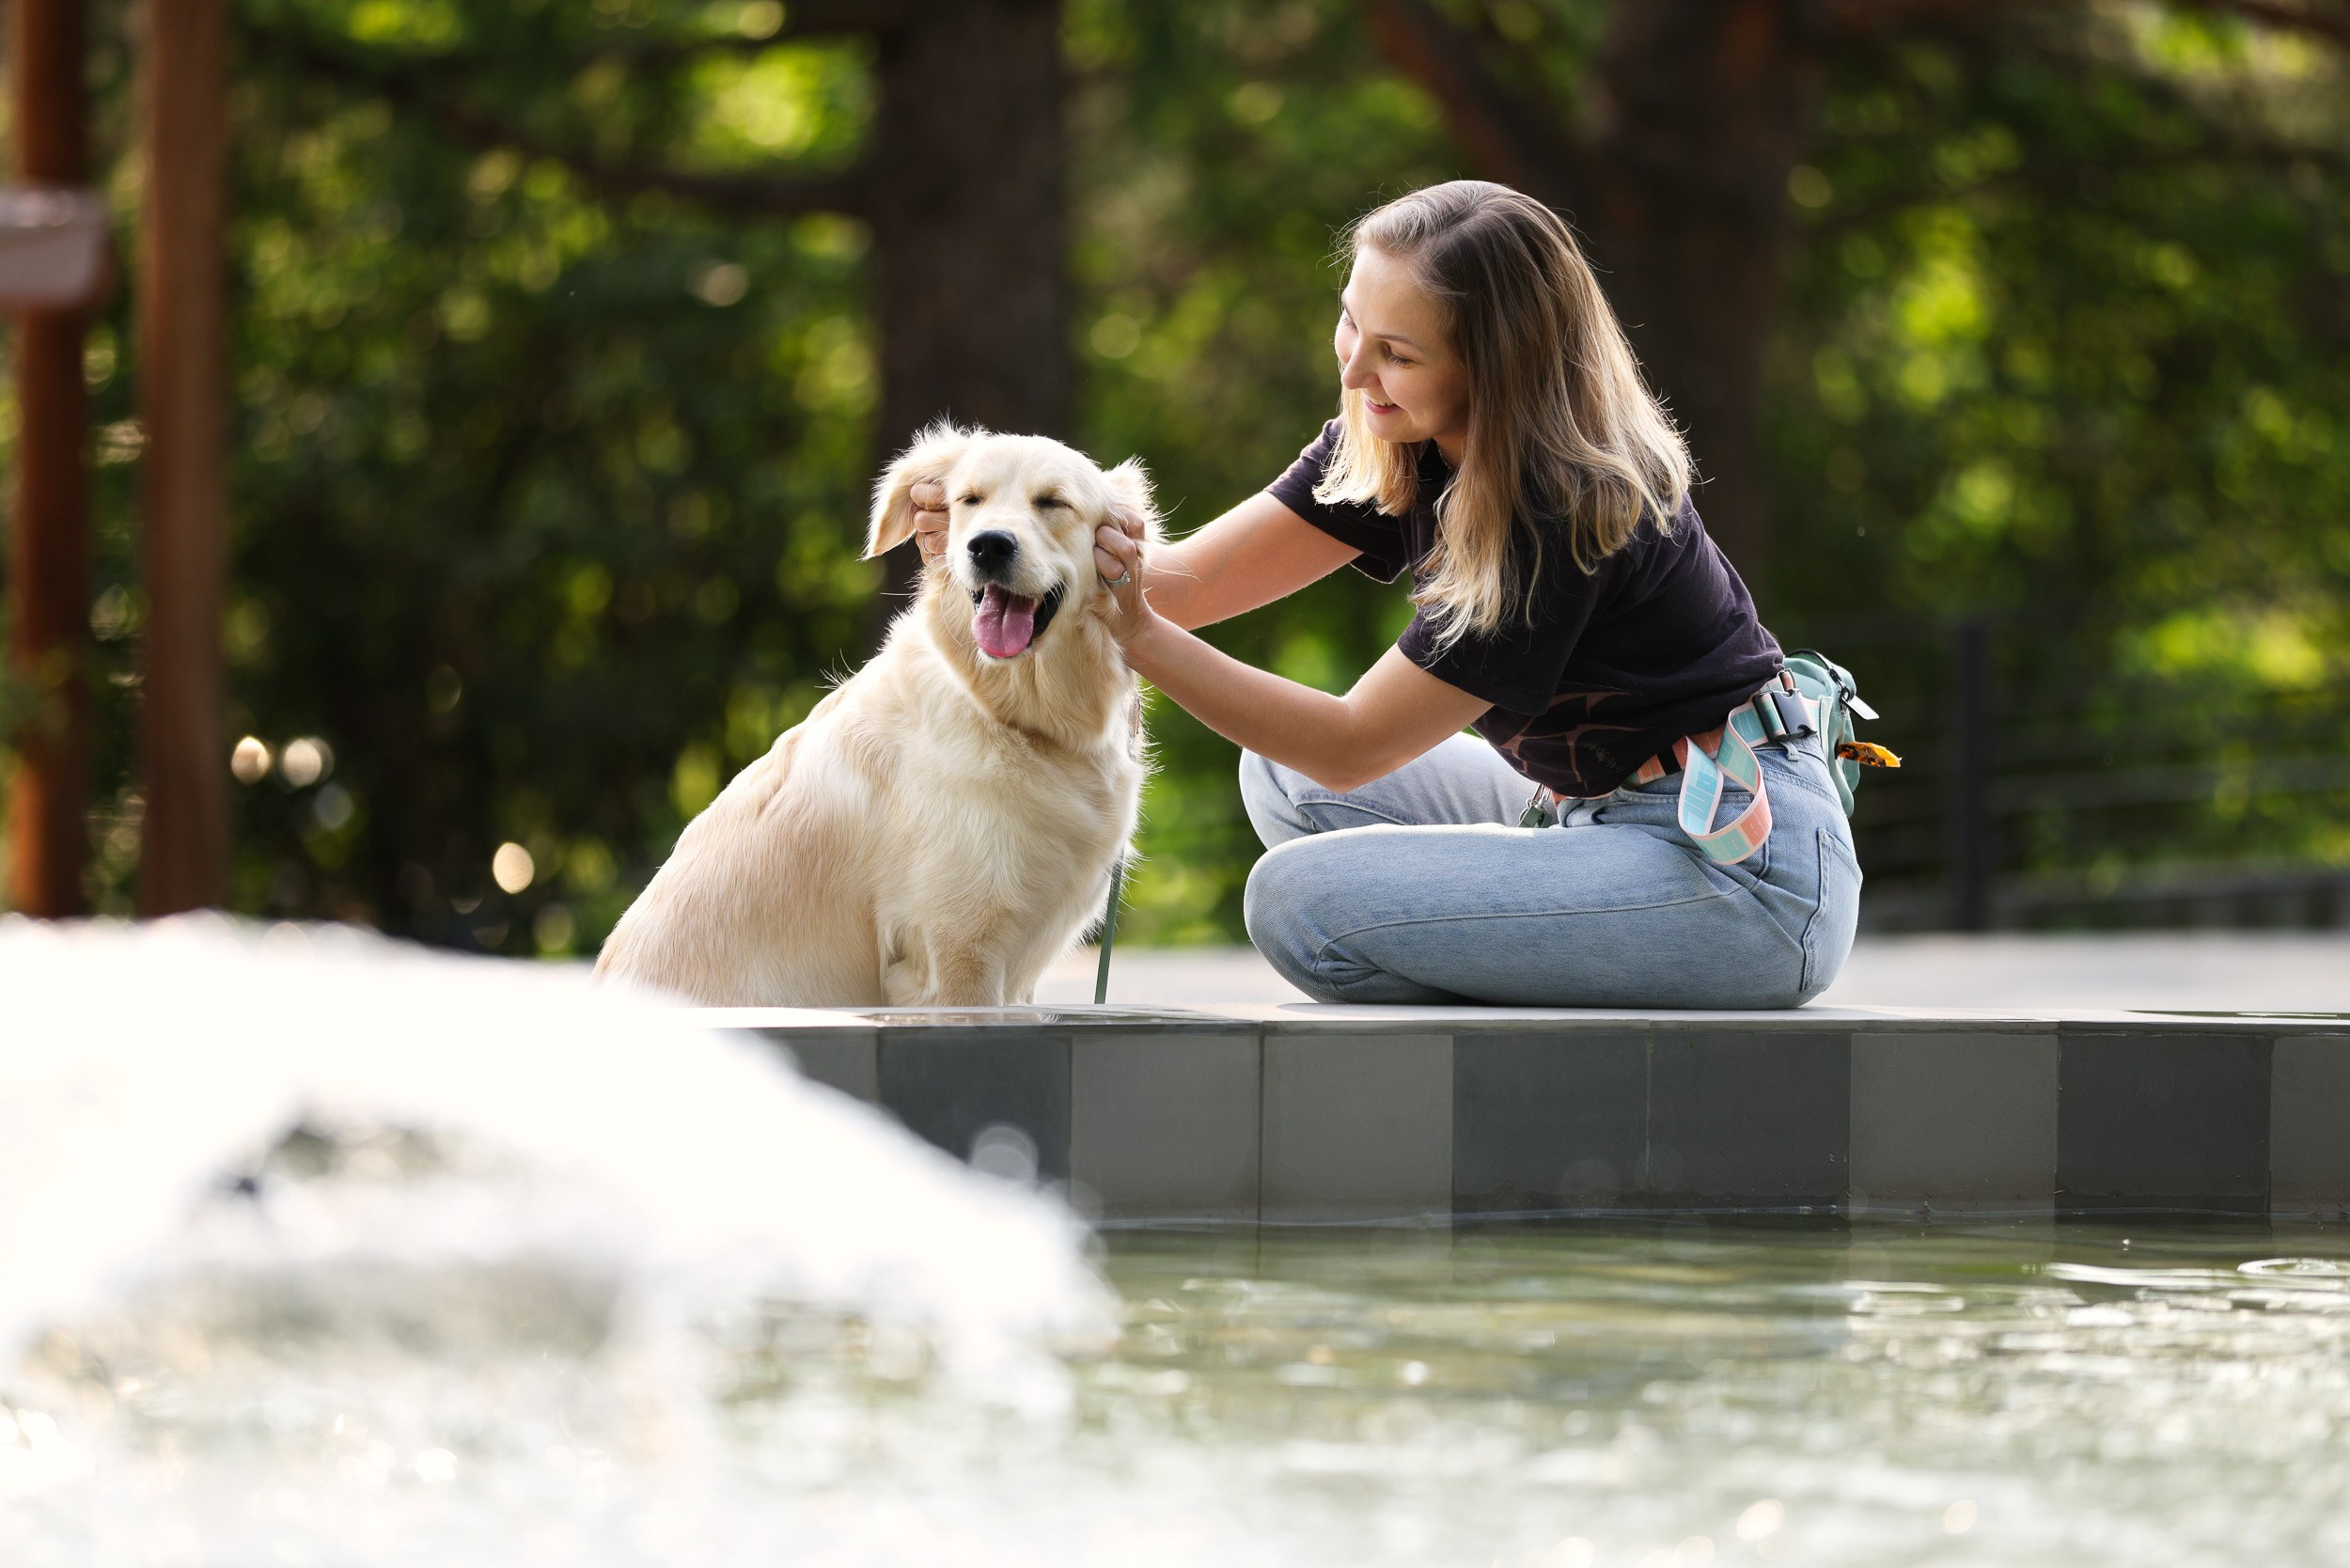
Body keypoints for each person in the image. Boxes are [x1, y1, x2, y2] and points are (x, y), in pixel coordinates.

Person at [914, 180, 1860, 1008]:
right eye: (1350, 323)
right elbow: (1181, 585)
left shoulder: (1554, 505)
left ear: (1495, 367)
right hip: (1583, 811)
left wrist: (1142, 638)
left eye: (1397, 353)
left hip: (1741, 870)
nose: (1354, 369)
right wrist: (994, 545)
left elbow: (1349, 746)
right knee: (1271, 775)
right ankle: (1546, 927)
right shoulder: (1396, 438)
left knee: (1299, 902)